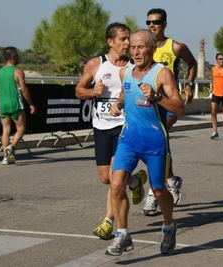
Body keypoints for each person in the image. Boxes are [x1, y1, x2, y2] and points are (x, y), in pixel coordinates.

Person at [106, 29, 185, 256]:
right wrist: (118, 105)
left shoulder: (162, 74)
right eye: (132, 47)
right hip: (129, 138)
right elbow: (125, 92)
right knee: (116, 182)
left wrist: (157, 97)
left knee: (159, 190)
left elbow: (179, 108)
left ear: (152, 48)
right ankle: (122, 235)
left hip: (154, 141)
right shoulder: (126, 72)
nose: (136, 51)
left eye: (141, 47)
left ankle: (169, 227)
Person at [75, 22, 142, 241]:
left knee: (115, 176)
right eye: (123, 39)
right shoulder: (96, 64)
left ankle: (109, 223)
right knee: (106, 178)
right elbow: (78, 90)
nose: (127, 43)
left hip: (125, 127)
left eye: (128, 38)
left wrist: (121, 102)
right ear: (110, 42)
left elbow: (132, 92)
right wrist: (91, 91)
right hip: (101, 126)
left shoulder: (133, 67)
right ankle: (136, 182)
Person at [142, 8, 197, 215]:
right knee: (159, 145)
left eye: (155, 22)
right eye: (148, 22)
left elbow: (192, 63)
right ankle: (171, 180)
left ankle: (152, 193)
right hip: (148, 103)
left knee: (158, 143)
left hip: (168, 103)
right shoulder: (143, 47)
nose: (151, 25)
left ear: (165, 24)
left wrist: (189, 85)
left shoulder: (176, 47)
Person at [0, 46, 36, 165]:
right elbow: (24, 89)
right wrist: (31, 104)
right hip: (15, 103)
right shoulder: (17, 71)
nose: (18, 58)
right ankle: (12, 147)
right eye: (17, 56)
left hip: (3, 104)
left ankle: (5, 157)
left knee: (5, 130)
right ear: (12, 57)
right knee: (21, 128)